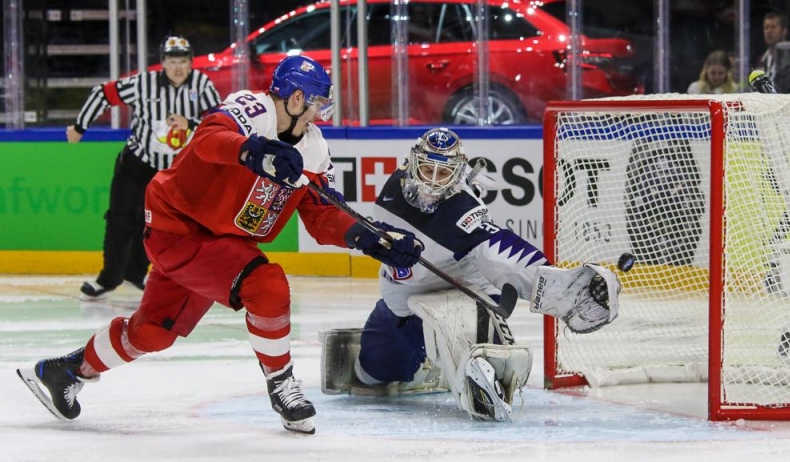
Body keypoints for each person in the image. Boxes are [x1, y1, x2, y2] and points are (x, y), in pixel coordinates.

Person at [17, 55, 423, 435]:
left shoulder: (314, 148)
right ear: (297, 98)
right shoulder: (252, 109)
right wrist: (252, 152)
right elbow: (209, 138)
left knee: (153, 332)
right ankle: (281, 385)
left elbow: (321, 214)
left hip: (220, 245)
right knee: (266, 284)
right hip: (179, 228)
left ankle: (67, 370)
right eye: (317, 103)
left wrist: (370, 239)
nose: (320, 114)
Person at [319, 128, 620, 422]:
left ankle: (488, 367)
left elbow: (503, 253)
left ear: (457, 174)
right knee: (371, 375)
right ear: (412, 163)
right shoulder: (393, 190)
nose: (433, 181)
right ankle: (418, 363)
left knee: (476, 342)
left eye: (444, 173)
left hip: (464, 291)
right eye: (427, 169)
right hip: (404, 300)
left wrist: (563, 292)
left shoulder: (462, 211)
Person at [69, 36, 222, 300]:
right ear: (162, 62)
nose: (178, 68)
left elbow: (220, 121)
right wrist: (80, 126)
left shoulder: (202, 85)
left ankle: (135, 275)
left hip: (174, 172)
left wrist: (191, 123)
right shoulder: (144, 83)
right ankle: (108, 279)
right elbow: (102, 94)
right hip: (137, 164)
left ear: (190, 62)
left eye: (183, 61)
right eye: (172, 61)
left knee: (157, 226)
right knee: (121, 221)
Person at [754, 11, 790, 89]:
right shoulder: (761, 60)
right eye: (766, 28)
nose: (769, 31)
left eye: (773, 27)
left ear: (784, 31)